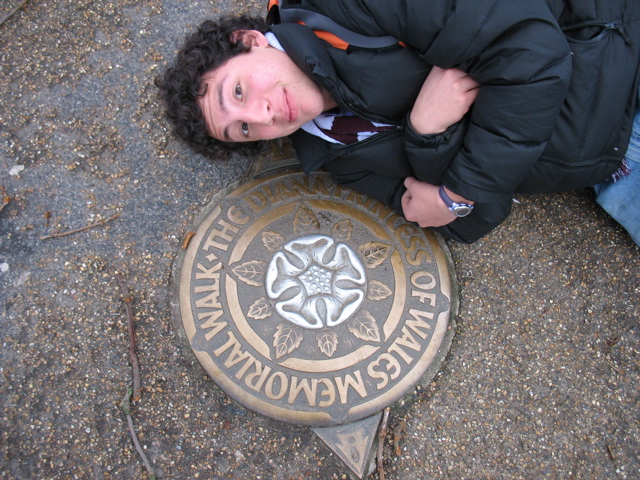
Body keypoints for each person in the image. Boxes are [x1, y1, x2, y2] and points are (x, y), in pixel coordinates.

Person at [156, 0, 640, 245]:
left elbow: (531, 52)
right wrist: (427, 134)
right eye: (243, 130)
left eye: (238, 91)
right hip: (608, 171)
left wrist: (454, 190)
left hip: (618, 66)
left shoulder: (351, 11)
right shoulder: (339, 157)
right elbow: (472, 220)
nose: (260, 115)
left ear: (251, 40)